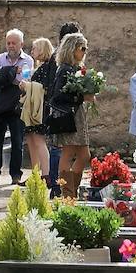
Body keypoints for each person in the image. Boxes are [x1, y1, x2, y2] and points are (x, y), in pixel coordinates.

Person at [0, 29, 34, 185]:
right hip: (0, 104)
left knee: (17, 141)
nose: (10, 46)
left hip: (17, 105)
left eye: (14, 43)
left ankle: (15, 175)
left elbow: (24, 80)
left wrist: (4, 75)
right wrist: (11, 72)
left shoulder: (27, 60)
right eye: (8, 43)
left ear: (21, 44)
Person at [46, 31, 94, 197]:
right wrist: (82, 96)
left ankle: (71, 191)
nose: (85, 51)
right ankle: (68, 194)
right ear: (72, 48)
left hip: (77, 115)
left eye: (86, 48)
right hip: (68, 117)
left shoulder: (76, 68)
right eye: (82, 48)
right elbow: (58, 96)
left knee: (84, 155)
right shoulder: (65, 69)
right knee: (68, 153)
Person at [19, 36, 56, 188]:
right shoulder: (41, 66)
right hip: (33, 107)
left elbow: (44, 88)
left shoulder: (47, 67)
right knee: (31, 140)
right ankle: (35, 174)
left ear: (41, 50)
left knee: (39, 141)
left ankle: (45, 175)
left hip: (40, 109)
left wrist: (27, 86)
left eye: (34, 48)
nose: (32, 51)